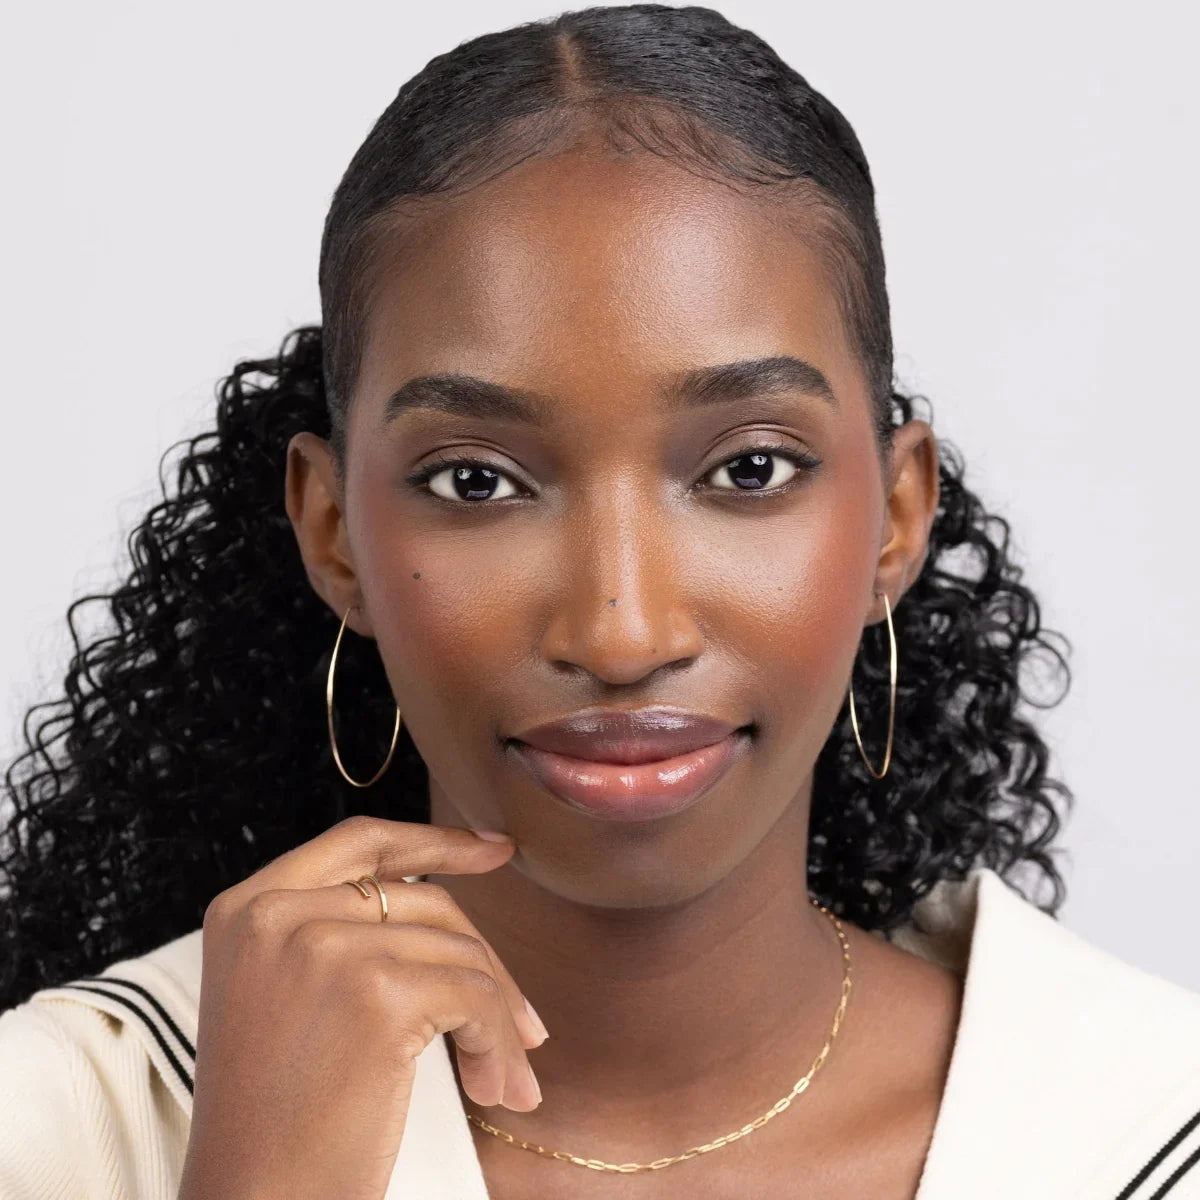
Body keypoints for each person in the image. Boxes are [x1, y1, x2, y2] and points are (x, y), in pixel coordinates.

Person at [2, 5, 1198, 1198]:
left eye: (748, 469)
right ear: (335, 535)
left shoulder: (1140, 1125)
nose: (623, 632)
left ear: (894, 521)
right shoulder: (65, 1129)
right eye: (477, 481)